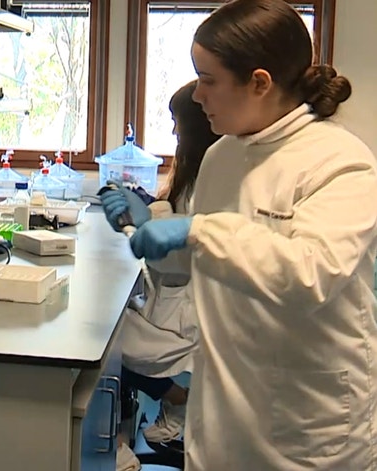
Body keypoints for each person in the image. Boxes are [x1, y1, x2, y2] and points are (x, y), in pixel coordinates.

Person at [121, 0, 377, 468]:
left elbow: (310, 274)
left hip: (308, 425)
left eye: (208, 80)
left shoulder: (341, 162)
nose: (198, 96)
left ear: (260, 82)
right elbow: (205, 260)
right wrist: (148, 229)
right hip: (223, 414)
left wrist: (196, 230)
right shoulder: (222, 156)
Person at [104, 81, 221, 471]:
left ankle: (174, 403)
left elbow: (193, 250)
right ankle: (152, 417)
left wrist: (149, 227)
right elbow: (180, 221)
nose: (173, 131)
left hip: (192, 318)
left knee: (108, 341)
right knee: (112, 328)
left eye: (177, 122)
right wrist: (147, 212)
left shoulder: (215, 171)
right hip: (173, 301)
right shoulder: (194, 169)